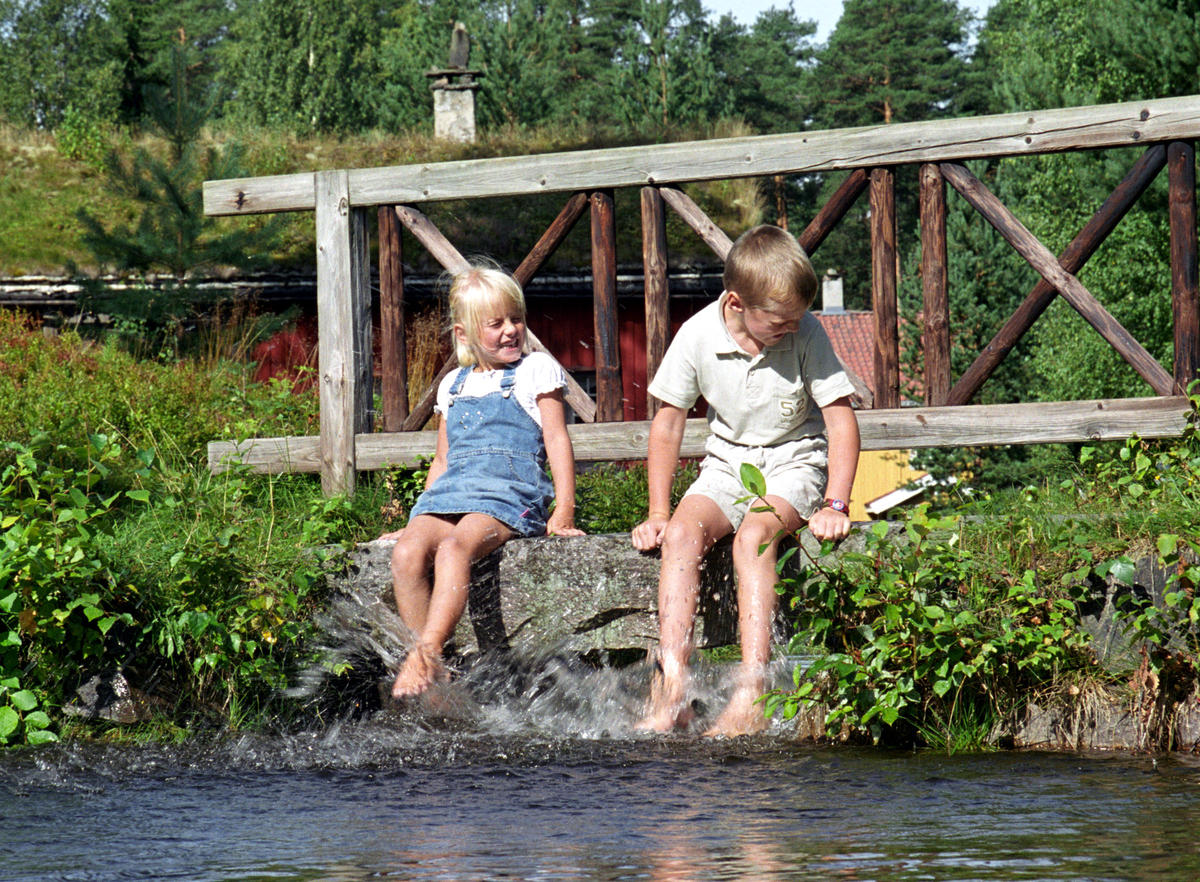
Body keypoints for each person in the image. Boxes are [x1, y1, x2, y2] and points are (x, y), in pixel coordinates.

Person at [630, 224, 860, 737]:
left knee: (753, 538)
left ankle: (752, 694)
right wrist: (659, 512)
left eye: (797, 319)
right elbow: (668, 425)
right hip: (725, 466)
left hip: (794, 463)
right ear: (736, 302)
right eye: (779, 321)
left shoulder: (806, 334)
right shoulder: (695, 336)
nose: (791, 328)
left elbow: (841, 421)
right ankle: (674, 691)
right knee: (683, 537)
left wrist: (836, 503)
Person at [381, 265, 584, 699]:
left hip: (509, 496)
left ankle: (426, 655)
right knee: (408, 552)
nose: (511, 330)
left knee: (456, 548)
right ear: (466, 332)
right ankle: (440, 676)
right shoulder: (453, 384)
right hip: (453, 493)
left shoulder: (536, 371)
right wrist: (418, 515)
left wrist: (563, 508)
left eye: (516, 318)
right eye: (496, 324)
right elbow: (443, 459)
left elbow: (557, 439)